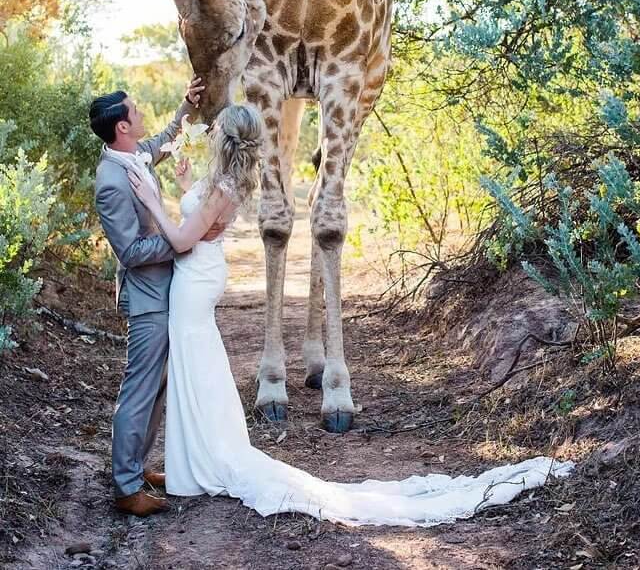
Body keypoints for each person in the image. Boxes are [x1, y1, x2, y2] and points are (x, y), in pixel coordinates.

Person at [128, 101, 574, 526]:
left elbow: (184, 239)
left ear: (225, 139)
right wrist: (185, 187)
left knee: (196, 362)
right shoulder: (225, 181)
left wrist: (151, 201)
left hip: (195, 277)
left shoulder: (223, 186)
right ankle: (193, 464)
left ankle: (203, 462)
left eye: (217, 128)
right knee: (197, 364)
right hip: (200, 276)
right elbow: (199, 218)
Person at [90, 77, 223, 517]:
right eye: (135, 110)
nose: (142, 112)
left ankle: (137, 467)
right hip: (146, 299)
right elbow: (129, 252)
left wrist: (187, 106)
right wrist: (184, 237)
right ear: (123, 128)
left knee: (158, 387)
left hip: (165, 292)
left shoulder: (133, 154)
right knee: (140, 389)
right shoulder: (111, 180)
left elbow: (166, 140)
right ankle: (126, 487)